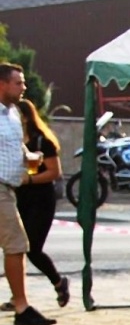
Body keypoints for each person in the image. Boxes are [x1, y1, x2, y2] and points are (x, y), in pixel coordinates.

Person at [0, 63, 52, 325]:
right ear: (3, 84)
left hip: (9, 188)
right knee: (17, 245)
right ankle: (21, 308)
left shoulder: (12, 114)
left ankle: (20, 304)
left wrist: (27, 156)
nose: (24, 87)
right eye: (18, 83)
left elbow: (13, 144)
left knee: (15, 245)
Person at [13, 99, 69, 310]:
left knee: (33, 249)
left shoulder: (42, 141)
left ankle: (59, 282)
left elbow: (54, 172)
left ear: (25, 117)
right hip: (20, 198)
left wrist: (27, 179)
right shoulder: (13, 141)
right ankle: (16, 297)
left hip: (41, 200)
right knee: (16, 249)